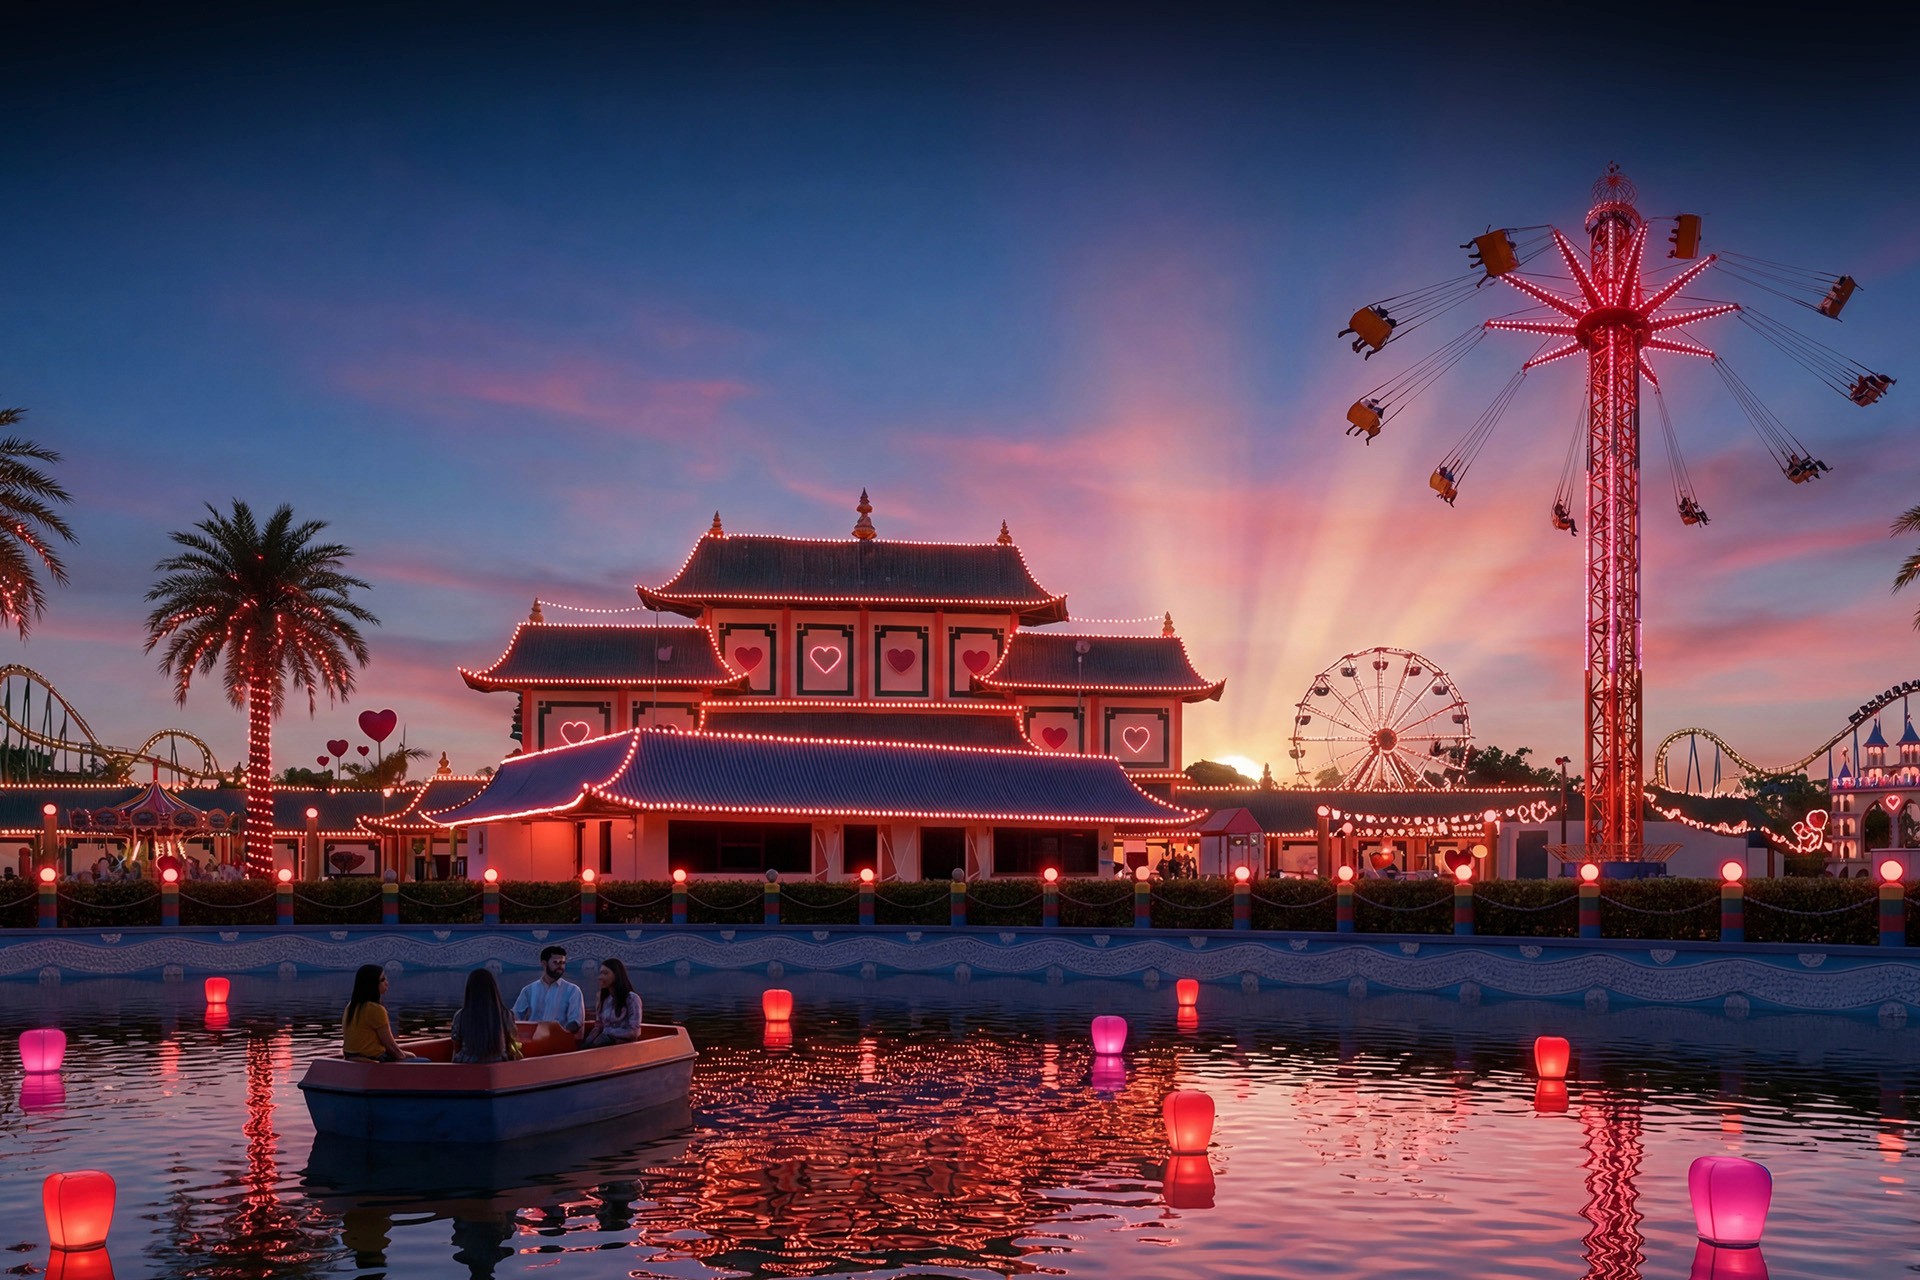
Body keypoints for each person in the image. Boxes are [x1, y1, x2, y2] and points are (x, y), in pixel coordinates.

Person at [341, 963, 422, 1062]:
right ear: (372, 984)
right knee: (423, 1061)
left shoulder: (350, 1006)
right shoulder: (375, 1009)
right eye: (383, 980)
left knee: (412, 1056)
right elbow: (392, 1048)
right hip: (372, 1060)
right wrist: (408, 1058)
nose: (387, 983)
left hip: (351, 1058)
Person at [449, 968, 522, 1064]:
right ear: (493, 989)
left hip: (467, 1064)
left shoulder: (460, 1016)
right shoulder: (506, 1015)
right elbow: (511, 1042)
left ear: (469, 990)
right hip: (499, 1063)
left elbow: (456, 1046)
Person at [511, 945, 585, 1036]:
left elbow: (576, 1021)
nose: (560, 966)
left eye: (563, 963)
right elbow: (515, 1016)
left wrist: (563, 1034)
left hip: (560, 1039)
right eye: (556, 962)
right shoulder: (528, 990)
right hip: (533, 1039)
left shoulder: (573, 991)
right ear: (544, 963)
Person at [581, 958, 642, 1048]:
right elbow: (599, 1026)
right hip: (603, 1044)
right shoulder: (603, 998)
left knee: (603, 1040)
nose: (600, 977)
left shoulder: (631, 998)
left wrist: (608, 1032)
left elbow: (634, 1032)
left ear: (616, 975)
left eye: (605, 973)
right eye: (600, 973)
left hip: (623, 1048)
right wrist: (586, 1044)